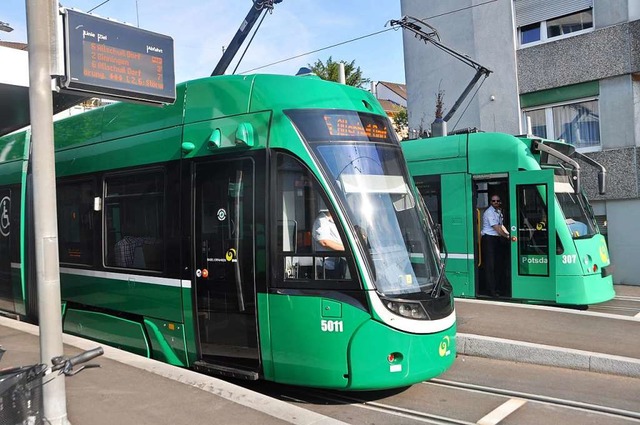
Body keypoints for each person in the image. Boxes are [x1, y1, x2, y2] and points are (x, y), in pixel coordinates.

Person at [480, 195, 510, 296]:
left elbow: (501, 225)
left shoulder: (498, 211)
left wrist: (508, 234)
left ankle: (497, 288)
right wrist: (507, 237)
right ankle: (491, 290)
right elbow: (496, 228)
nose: (496, 202)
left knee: (498, 264)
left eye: (498, 200)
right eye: (494, 201)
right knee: (490, 266)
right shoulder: (489, 212)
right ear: (490, 202)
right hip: (489, 239)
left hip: (496, 239)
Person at [312, 209, 346, 279]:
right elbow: (324, 242)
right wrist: (346, 248)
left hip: (338, 261)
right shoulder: (321, 221)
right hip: (326, 264)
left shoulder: (334, 221)